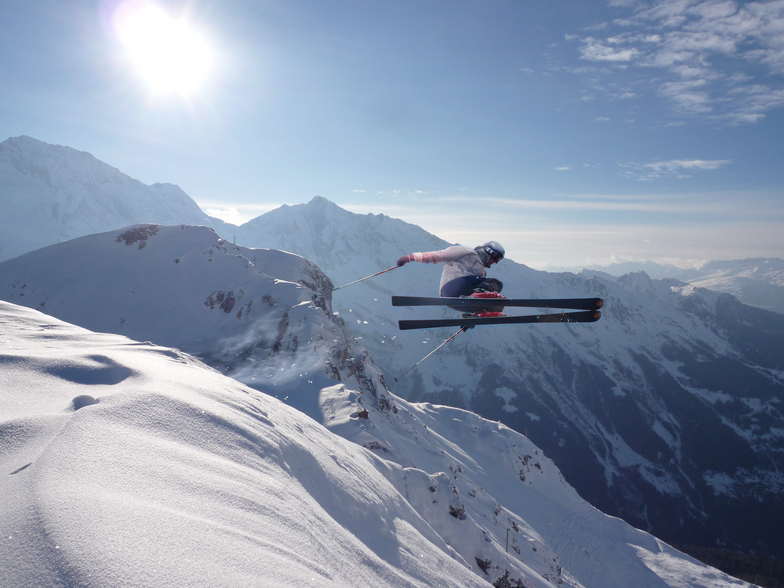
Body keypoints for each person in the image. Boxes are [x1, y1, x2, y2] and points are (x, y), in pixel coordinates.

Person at [396, 241, 505, 299]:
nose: (495, 261)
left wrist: (473, 315)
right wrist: (411, 257)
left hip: (455, 297)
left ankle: (481, 310)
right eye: (496, 256)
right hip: (453, 285)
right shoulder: (468, 251)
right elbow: (440, 255)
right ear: (488, 250)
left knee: (494, 288)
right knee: (493, 284)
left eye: (499, 259)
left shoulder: (482, 271)